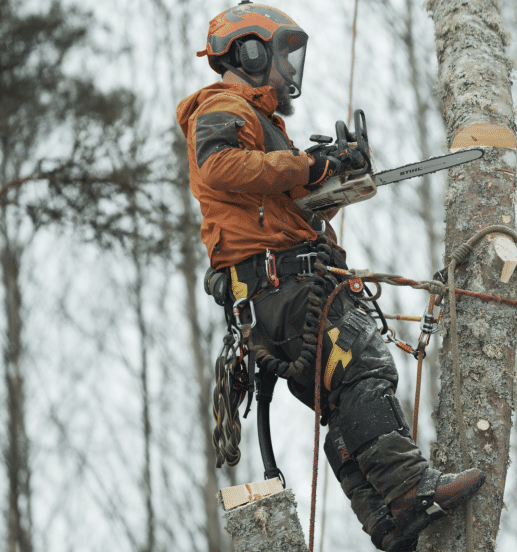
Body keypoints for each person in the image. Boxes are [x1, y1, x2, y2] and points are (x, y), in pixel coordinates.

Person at [175, 3, 485, 551]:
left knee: (343, 401)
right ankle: (409, 487)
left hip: (282, 289)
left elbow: (296, 208)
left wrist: (334, 172)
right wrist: (307, 166)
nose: (288, 67)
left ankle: (384, 518)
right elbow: (220, 165)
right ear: (249, 51)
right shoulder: (223, 108)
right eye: (279, 53)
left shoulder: (266, 127)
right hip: (285, 289)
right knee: (364, 367)